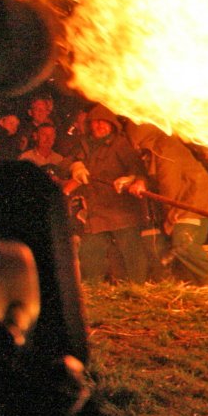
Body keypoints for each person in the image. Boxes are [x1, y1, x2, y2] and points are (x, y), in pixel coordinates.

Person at [120, 122, 208, 284]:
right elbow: (154, 178)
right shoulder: (154, 149)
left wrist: (170, 218)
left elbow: (169, 188)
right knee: (179, 247)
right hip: (184, 203)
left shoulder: (164, 148)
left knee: (183, 243)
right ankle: (203, 284)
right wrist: (138, 180)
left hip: (193, 203)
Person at [65, 104, 150, 284]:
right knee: (89, 253)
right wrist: (76, 166)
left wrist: (131, 178)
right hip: (96, 212)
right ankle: (93, 293)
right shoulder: (85, 144)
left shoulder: (120, 143)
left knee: (131, 253)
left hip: (121, 211)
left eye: (104, 122)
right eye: (95, 123)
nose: (99, 126)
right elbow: (66, 161)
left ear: (112, 125)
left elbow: (137, 167)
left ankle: (139, 289)